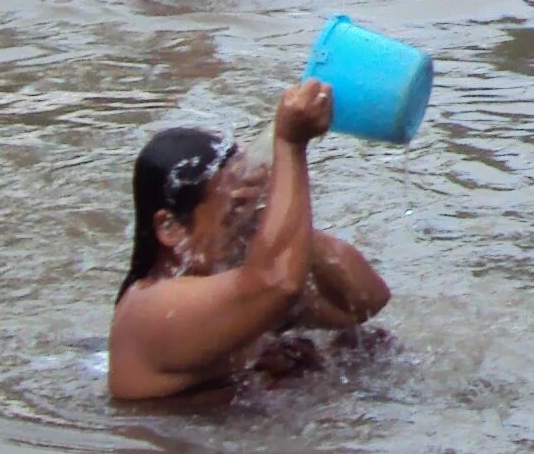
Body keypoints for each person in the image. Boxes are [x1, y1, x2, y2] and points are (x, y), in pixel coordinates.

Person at [108, 81, 391, 400]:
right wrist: (290, 145)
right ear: (170, 227)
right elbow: (278, 283)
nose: (241, 231)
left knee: (367, 342)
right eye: (231, 216)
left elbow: (367, 300)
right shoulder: (151, 310)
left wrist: (263, 214)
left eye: (248, 213)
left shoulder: (237, 288)